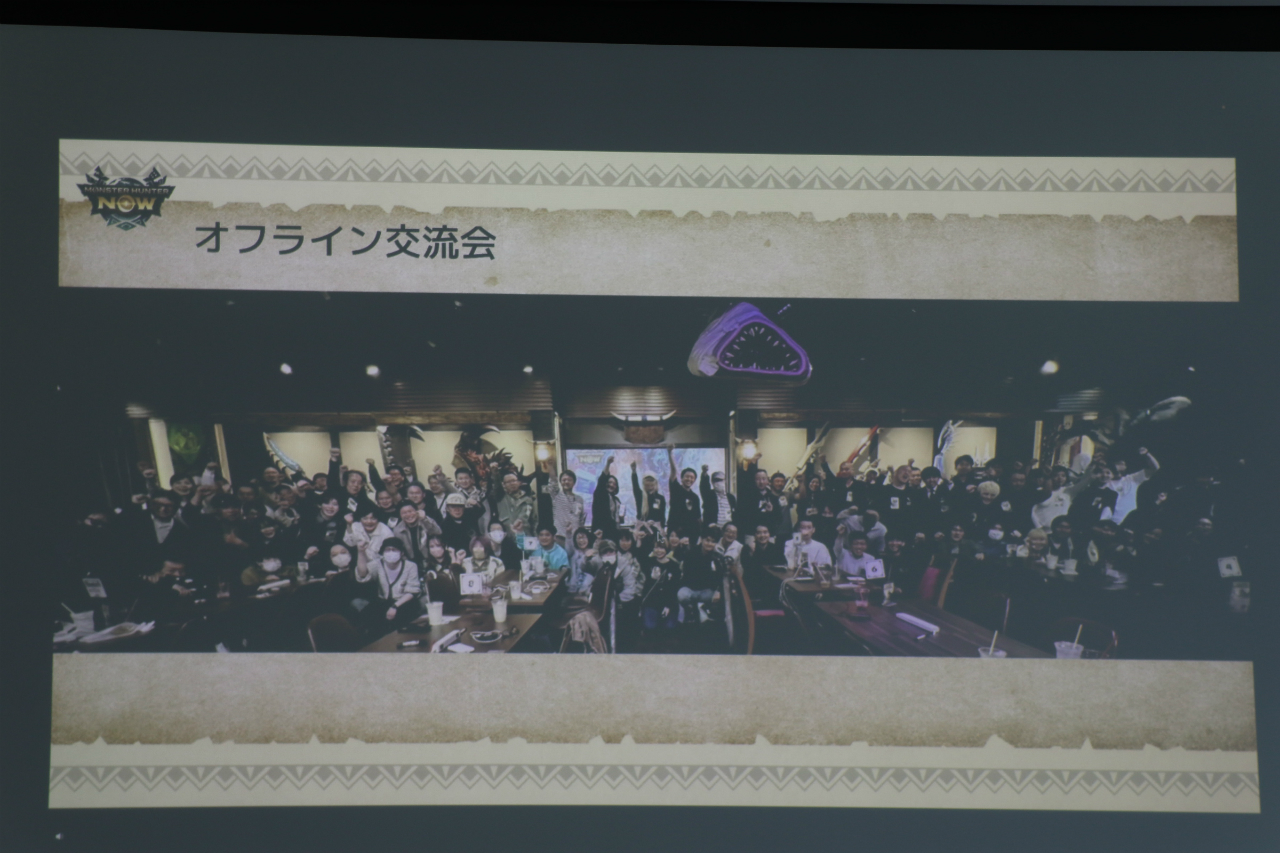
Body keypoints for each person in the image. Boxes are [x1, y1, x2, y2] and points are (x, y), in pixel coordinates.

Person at [352, 536, 422, 635]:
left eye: (394, 550)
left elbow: (412, 592)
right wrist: (361, 552)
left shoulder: (410, 566)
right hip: (383, 603)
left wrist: (395, 606)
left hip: (403, 603)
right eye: (387, 550)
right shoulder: (378, 564)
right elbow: (362, 574)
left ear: (402, 553)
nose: (390, 552)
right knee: (367, 620)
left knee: (401, 622)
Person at [677, 531, 725, 624]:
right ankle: (694, 609)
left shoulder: (717, 557)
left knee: (718, 596)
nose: (709, 544)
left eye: (712, 542)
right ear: (702, 540)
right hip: (691, 589)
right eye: (707, 540)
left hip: (706, 591)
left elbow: (720, 576)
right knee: (681, 594)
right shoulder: (691, 553)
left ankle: (701, 608)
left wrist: (718, 591)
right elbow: (688, 575)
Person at [541, 458, 587, 551]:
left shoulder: (579, 499)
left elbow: (581, 519)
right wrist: (551, 467)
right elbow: (553, 482)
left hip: (575, 538)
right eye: (564, 480)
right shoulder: (557, 495)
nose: (566, 482)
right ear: (561, 482)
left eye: (569, 480)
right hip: (560, 537)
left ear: (573, 482)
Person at [640, 539, 682, 634]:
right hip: (651, 603)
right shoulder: (649, 562)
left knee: (669, 627)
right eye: (656, 547)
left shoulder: (674, 566)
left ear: (667, 549)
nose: (659, 550)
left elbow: (674, 588)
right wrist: (652, 578)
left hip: (668, 603)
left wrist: (669, 606)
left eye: (662, 548)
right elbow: (646, 587)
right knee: (650, 627)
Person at [1109, 447, 1160, 524]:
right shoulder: (1104, 480)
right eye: (1119, 463)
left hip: (1126, 522)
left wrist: (1147, 454)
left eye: (1123, 463)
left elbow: (1155, 468)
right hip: (1107, 521)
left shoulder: (1132, 479)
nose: (1121, 465)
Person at [388, 501, 443, 567]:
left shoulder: (425, 520)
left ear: (417, 511)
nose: (408, 515)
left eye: (410, 511)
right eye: (404, 513)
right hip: (411, 563)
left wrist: (424, 519)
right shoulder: (398, 530)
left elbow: (438, 532)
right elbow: (400, 551)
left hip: (431, 559)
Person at [665, 446, 702, 540]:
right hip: (674, 531)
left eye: (692, 477)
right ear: (681, 478)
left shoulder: (695, 497)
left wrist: (700, 536)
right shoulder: (676, 489)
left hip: (690, 533)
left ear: (694, 480)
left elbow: (698, 518)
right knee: (665, 546)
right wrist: (670, 453)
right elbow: (673, 471)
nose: (689, 479)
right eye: (687, 476)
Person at [416, 536, 460, 611]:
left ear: (445, 546)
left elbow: (456, 580)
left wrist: (453, 557)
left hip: (452, 596)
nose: (435, 549)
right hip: (435, 599)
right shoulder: (425, 564)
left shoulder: (452, 560)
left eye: (438, 546)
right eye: (431, 547)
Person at [495, 471, 538, 540]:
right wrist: (495, 473)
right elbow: (496, 485)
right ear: (503, 485)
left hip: (526, 536)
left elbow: (534, 520)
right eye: (508, 482)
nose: (512, 483)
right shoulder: (501, 498)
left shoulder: (527, 500)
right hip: (507, 538)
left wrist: (536, 537)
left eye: (514, 481)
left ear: (519, 482)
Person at [591, 457, 624, 540]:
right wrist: (608, 464)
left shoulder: (617, 500)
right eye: (609, 482)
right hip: (601, 532)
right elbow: (602, 479)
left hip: (614, 532)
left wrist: (621, 517)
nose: (611, 485)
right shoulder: (600, 494)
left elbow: (618, 518)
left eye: (614, 484)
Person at [633, 460, 668, 527]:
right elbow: (635, 486)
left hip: (656, 529)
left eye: (651, 481)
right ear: (644, 483)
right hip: (642, 529)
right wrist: (634, 472)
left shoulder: (660, 498)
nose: (649, 483)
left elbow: (662, 517)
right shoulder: (640, 496)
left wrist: (659, 526)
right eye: (647, 481)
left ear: (655, 483)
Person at [701, 465, 736, 530]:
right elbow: (704, 487)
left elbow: (735, 514)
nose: (718, 482)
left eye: (720, 480)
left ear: (725, 481)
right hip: (714, 531)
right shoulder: (709, 496)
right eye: (715, 480)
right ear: (712, 482)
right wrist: (704, 473)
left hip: (728, 531)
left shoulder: (731, 497)